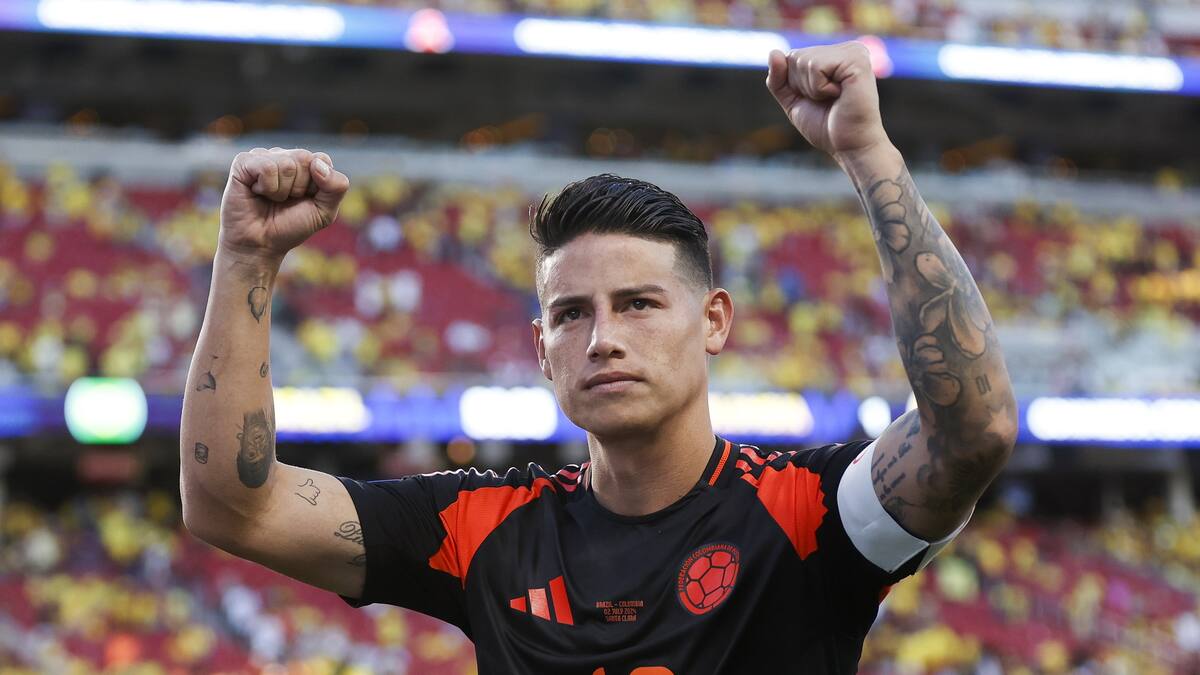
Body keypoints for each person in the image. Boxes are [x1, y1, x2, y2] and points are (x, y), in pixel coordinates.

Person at [180, 42, 1017, 673]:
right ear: (542, 350)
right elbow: (233, 508)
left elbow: (972, 430)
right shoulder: (483, 527)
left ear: (714, 320)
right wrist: (247, 258)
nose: (602, 337)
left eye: (639, 304)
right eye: (571, 313)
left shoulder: (808, 511)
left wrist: (869, 156)